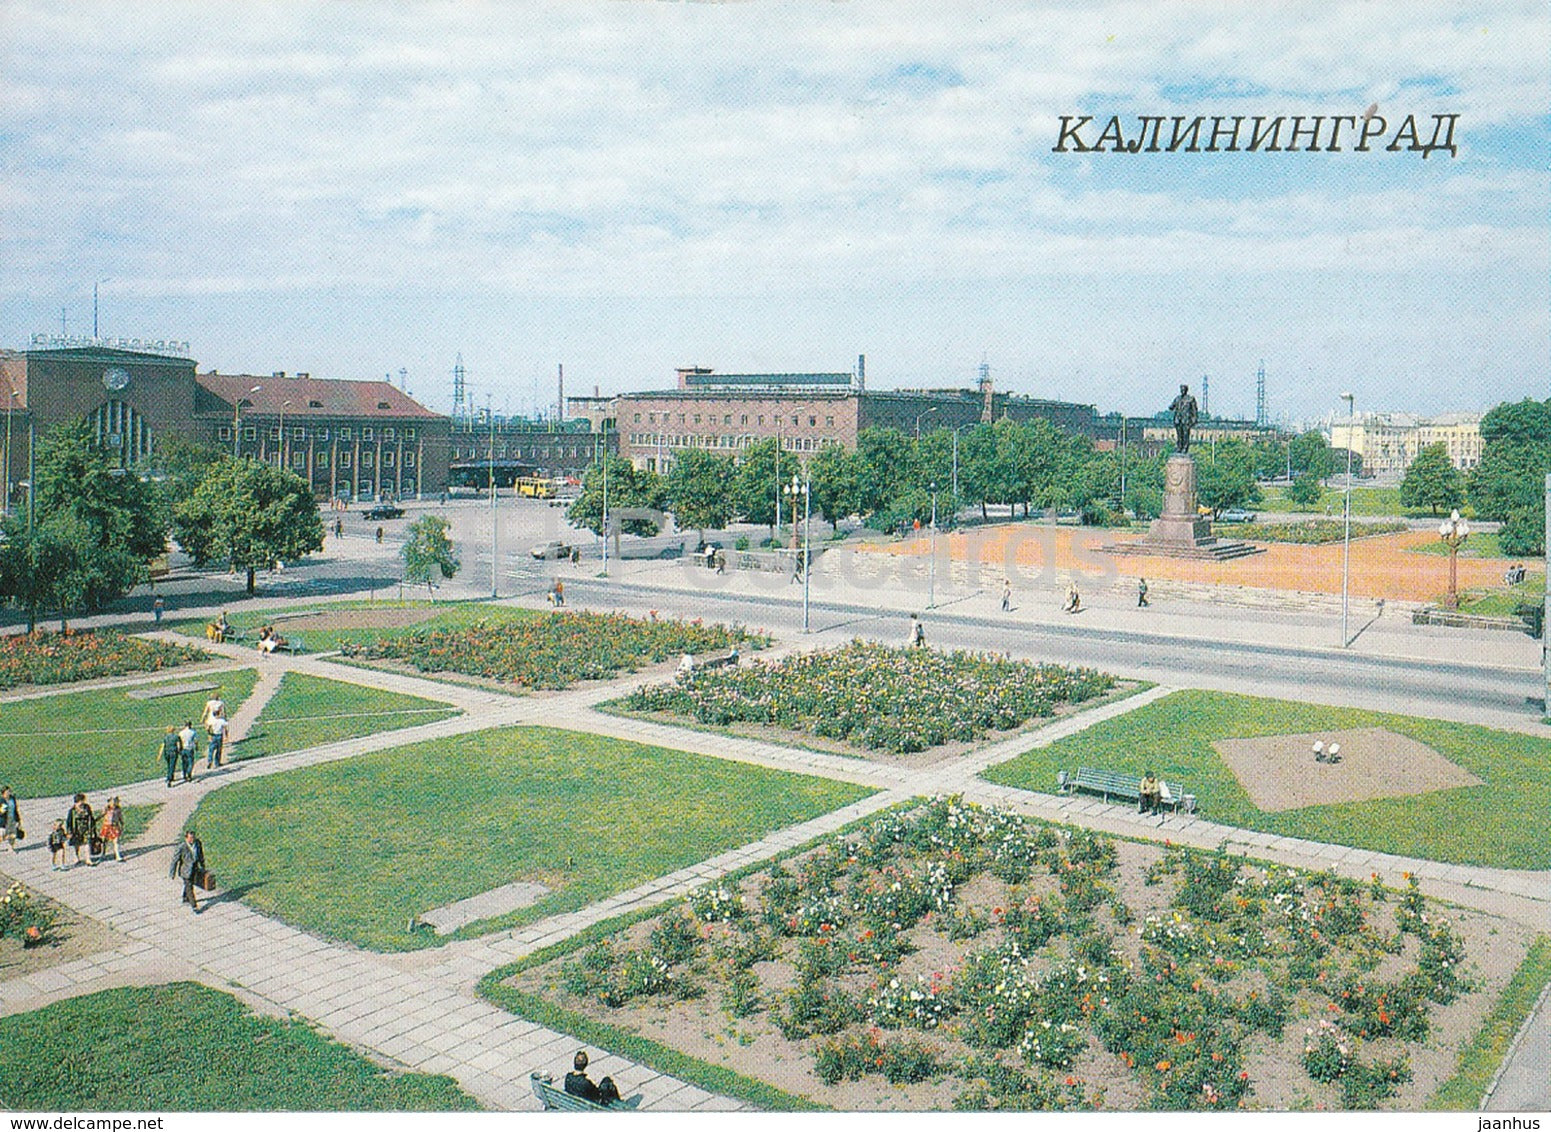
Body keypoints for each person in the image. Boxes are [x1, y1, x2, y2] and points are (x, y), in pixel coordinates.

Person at [169, 829, 206, 912]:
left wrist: (202, 865)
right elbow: (175, 860)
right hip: (185, 870)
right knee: (189, 886)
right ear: (186, 838)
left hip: (194, 869)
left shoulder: (198, 843)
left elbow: (200, 855)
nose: (192, 839)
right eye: (190, 838)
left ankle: (185, 897)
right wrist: (172, 872)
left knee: (189, 884)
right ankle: (194, 905)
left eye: (193, 837)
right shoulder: (181, 847)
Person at [66, 793, 95, 867]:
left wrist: (92, 827)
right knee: (77, 844)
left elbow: (91, 817)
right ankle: (76, 857)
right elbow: (69, 822)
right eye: (81, 801)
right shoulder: (72, 811)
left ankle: (88, 859)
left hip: (86, 829)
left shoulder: (87, 808)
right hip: (76, 830)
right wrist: (69, 832)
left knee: (87, 843)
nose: (82, 803)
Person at [99, 797, 124, 863]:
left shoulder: (118, 809)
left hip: (114, 826)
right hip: (107, 826)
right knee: (104, 841)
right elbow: (102, 815)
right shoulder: (106, 809)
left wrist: (121, 824)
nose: (114, 804)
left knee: (116, 841)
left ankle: (117, 855)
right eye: (112, 802)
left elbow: (120, 817)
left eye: (115, 802)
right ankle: (103, 854)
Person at [0, 786, 20, 852]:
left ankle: (11, 847)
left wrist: (18, 819)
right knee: (2, 835)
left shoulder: (12, 799)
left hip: (12, 819)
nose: (8, 793)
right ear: (3, 794)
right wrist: (2, 810)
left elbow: (15, 810)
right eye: (7, 792)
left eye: (9, 792)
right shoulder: (1, 800)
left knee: (12, 834)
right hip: (3, 821)